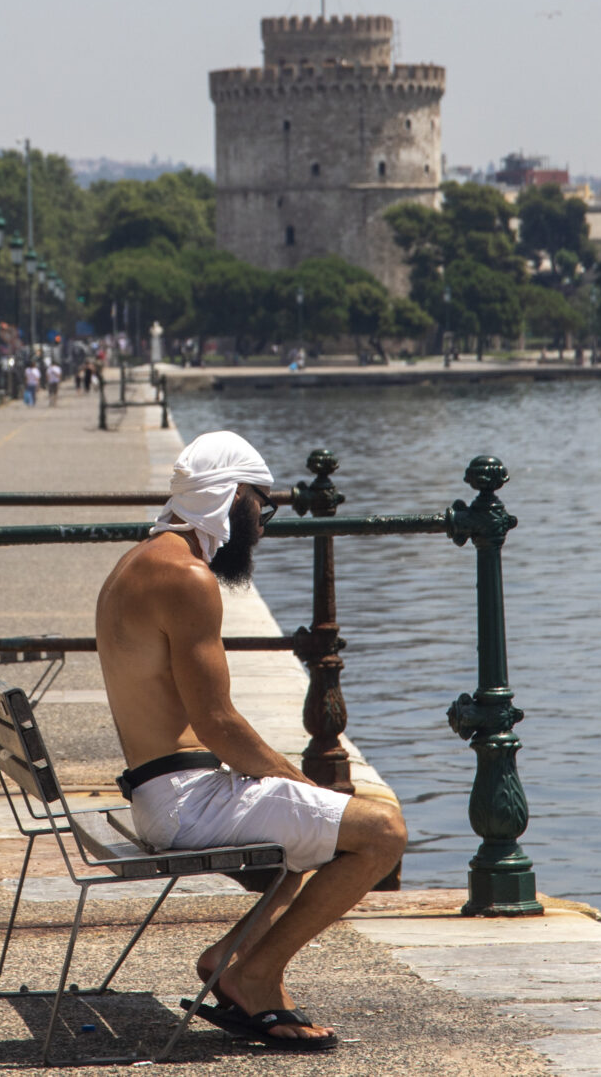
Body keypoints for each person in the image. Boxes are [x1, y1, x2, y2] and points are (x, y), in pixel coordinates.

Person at [94, 431, 406, 1051]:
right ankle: (257, 974)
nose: (263, 522)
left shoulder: (137, 561)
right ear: (232, 496)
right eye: (262, 503)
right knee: (383, 834)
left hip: (161, 789)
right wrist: (300, 780)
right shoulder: (187, 577)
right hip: (183, 802)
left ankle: (229, 963)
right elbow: (218, 723)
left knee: (303, 836)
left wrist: (291, 789)